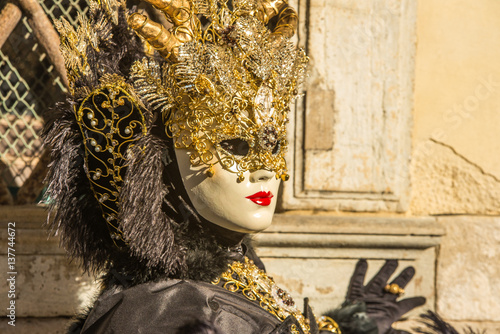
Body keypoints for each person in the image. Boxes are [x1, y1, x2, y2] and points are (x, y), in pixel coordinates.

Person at [42, 0, 439, 333]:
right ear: (163, 164)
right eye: (235, 145)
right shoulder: (162, 314)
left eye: (273, 144)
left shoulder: (231, 265)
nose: (267, 170)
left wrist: (347, 324)